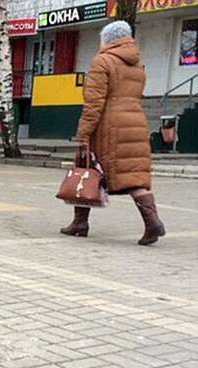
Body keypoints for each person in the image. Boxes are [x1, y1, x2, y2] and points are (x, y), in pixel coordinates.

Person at [62, 21, 166, 246]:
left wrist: (83, 134)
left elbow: (94, 102)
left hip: (109, 126)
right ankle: (152, 221)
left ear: (107, 39)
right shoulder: (137, 65)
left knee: (86, 167)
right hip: (134, 122)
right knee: (133, 178)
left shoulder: (103, 61)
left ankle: (80, 223)